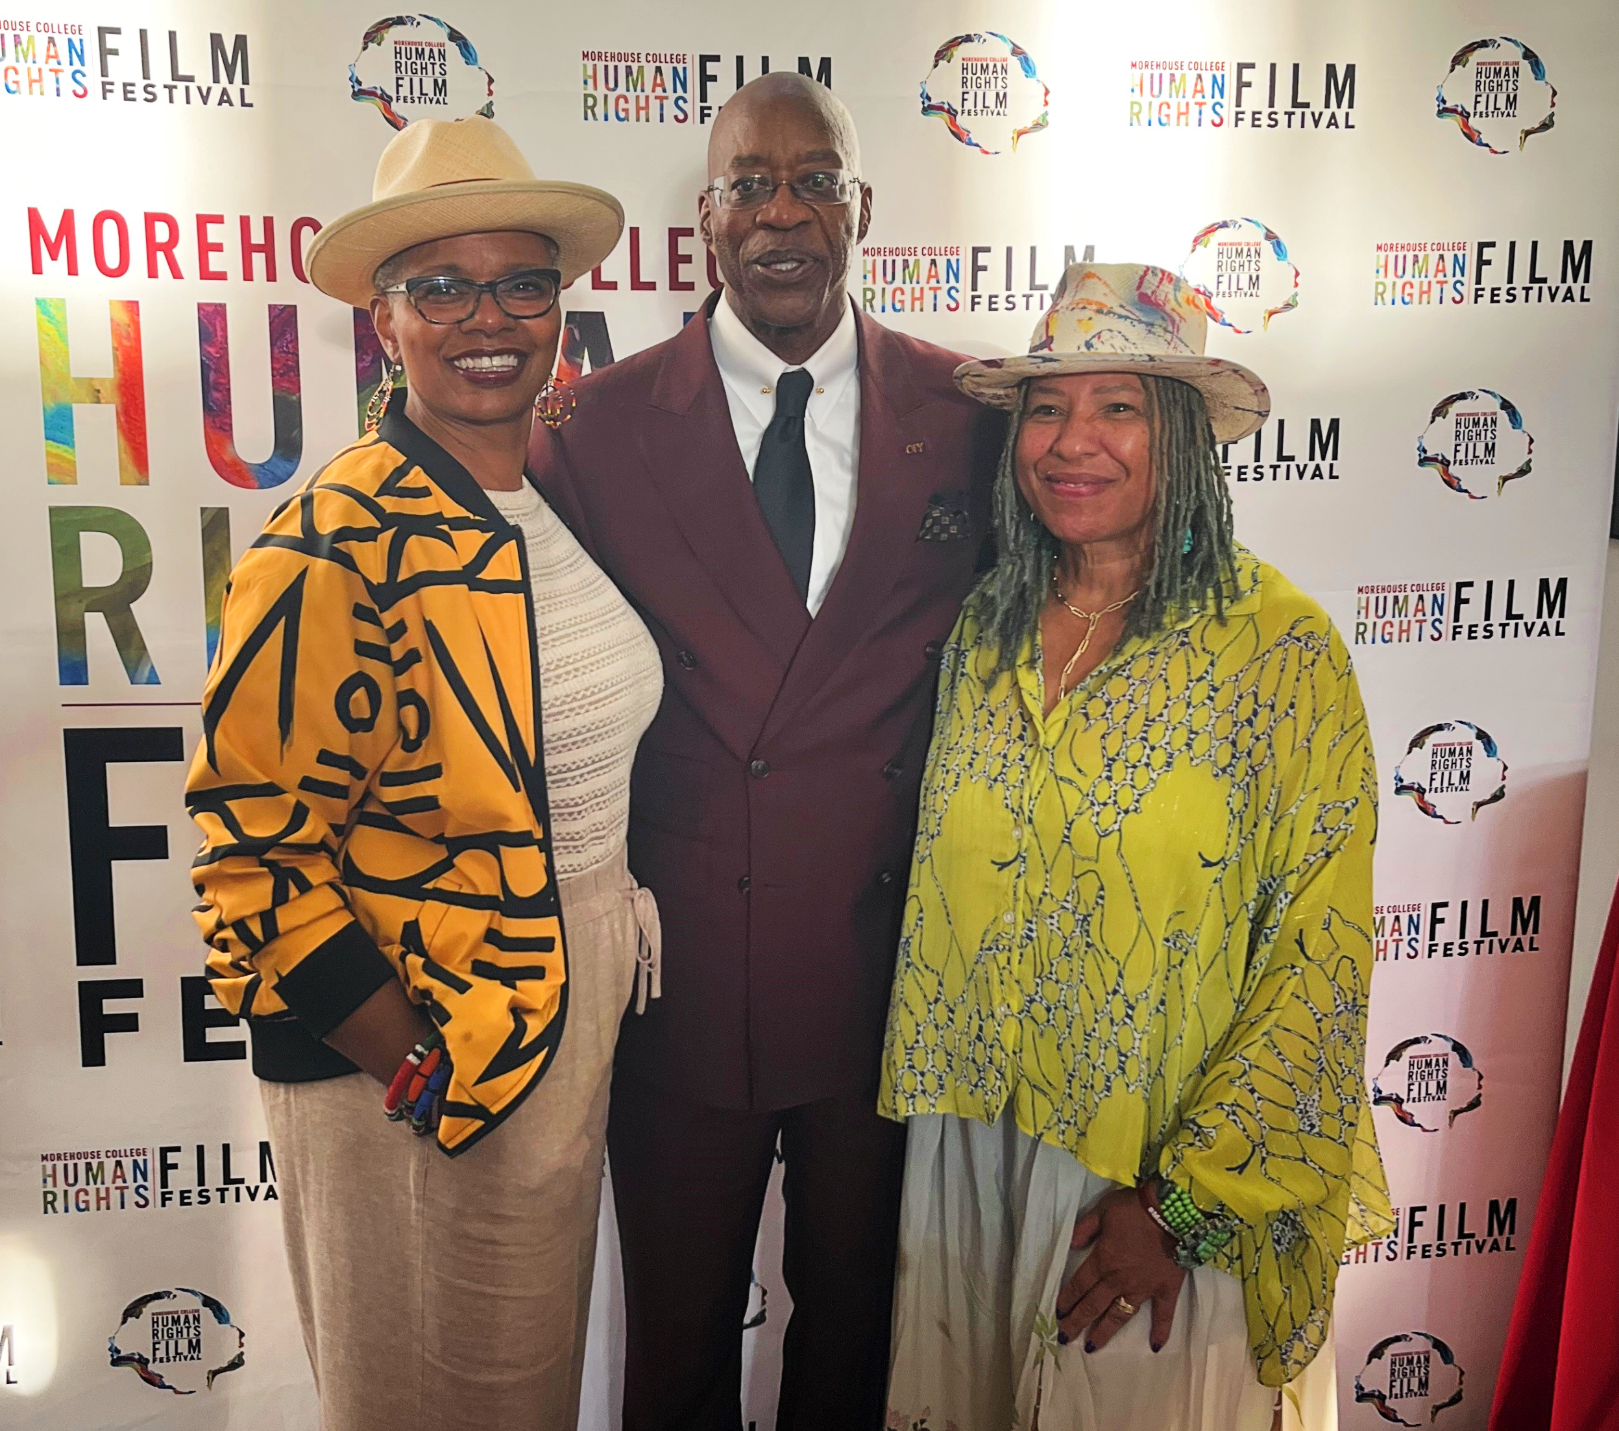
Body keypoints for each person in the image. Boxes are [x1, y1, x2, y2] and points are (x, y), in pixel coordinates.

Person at [529, 72, 1003, 1430]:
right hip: (679, 983)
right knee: (673, 1341)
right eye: (751, 184)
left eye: (813, 180)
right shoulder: (600, 425)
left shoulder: (967, 413)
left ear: (863, 207)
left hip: (886, 980)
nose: (782, 212)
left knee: (857, 1329)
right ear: (706, 218)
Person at [184, 116, 663, 1431]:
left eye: (521, 281)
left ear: (560, 309)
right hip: (413, 1054)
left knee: (518, 1393)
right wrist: (415, 1065)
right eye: (439, 286)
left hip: (545, 1029)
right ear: (384, 322)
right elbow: (247, 858)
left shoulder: (533, 503)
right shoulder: (336, 537)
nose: (486, 315)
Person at [878, 262, 1396, 1431]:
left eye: (1119, 407)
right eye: (1049, 407)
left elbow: (1319, 962)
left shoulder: (1281, 653)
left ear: (1183, 438)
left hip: (1158, 1189)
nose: (1074, 441)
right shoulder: (983, 628)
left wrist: (1184, 1210)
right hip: (973, 1157)